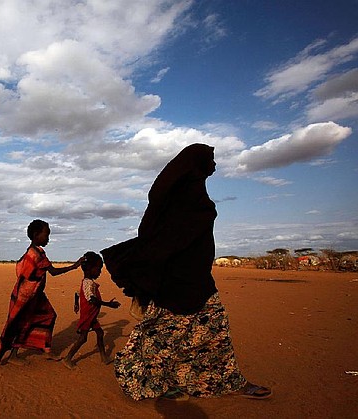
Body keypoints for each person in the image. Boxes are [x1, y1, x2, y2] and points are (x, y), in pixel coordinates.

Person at [101, 144, 272, 401]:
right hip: (174, 284)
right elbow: (161, 239)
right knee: (160, 337)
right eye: (211, 160)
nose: (214, 165)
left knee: (216, 332)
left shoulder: (193, 195)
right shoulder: (181, 201)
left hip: (199, 282)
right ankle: (137, 378)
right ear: (196, 164)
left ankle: (229, 381)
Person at [0, 219, 83, 365]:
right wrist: (74, 266)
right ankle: (13, 355)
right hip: (26, 297)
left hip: (36, 295)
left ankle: (45, 348)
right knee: (20, 323)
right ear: (36, 235)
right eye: (46, 235)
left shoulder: (36, 252)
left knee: (49, 316)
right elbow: (52, 272)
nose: (48, 239)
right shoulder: (35, 254)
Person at [62, 251, 121, 369]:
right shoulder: (88, 283)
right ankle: (68, 358)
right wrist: (108, 304)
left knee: (100, 333)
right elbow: (92, 300)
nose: (99, 272)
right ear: (90, 269)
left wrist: (76, 304)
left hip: (92, 315)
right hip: (88, 315)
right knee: (83, 338)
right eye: (98, 269)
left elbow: (77, 293)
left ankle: (103, 357)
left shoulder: (87, 282)